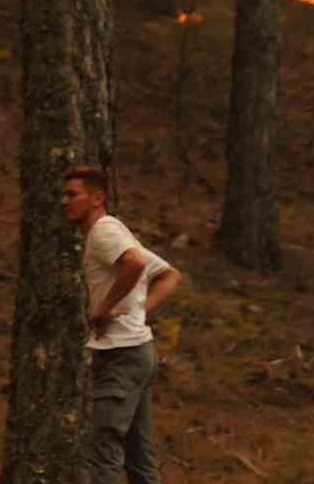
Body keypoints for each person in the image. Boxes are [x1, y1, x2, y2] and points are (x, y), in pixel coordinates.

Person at [62, 165, 184, 484]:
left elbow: (137, 264)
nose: (64, 201)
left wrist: (105, 309)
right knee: (138, 456)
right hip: (137, 352)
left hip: (122, 355)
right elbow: (169, 275)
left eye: (72, 194)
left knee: (104, 448)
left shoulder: (104, 232)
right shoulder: (115, 231)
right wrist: (139, 312)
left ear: (97, 198)